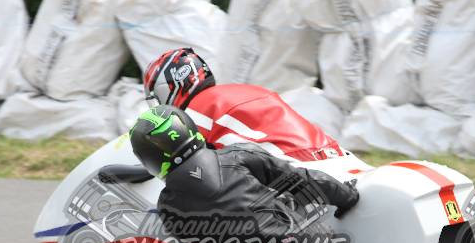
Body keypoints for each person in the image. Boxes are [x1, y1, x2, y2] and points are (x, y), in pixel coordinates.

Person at [129, 105, 472, 243]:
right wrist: (347, 197)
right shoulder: (239, 156)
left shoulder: (169, 204)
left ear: (150, 159)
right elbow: (303, 179)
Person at [141, 47, 344, 161]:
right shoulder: (247, 89)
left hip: (292, 167)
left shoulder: (195, 112)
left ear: (168, 87)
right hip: (333, 153)